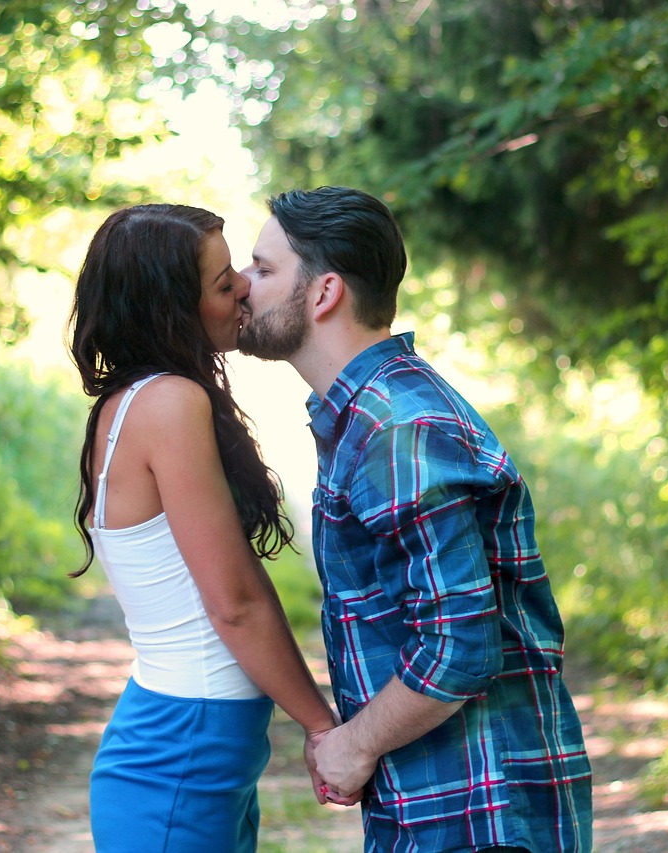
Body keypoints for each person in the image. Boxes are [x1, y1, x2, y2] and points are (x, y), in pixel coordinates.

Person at [238, 186, 594, 852]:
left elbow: (459, 643)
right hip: (443, 801)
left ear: (323, 293)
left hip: (481, 811)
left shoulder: (395, 427)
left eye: (262, 268)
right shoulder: (370, 415)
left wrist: (354, 743)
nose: (241, 284)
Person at [67, 203, 350, 853]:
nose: (245, 286)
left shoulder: (139, 400)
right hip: (179, 756)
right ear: (174, 309)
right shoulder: (169, 403)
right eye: (224, 283)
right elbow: (236, 602)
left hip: (192, 747)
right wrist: (323, 728)